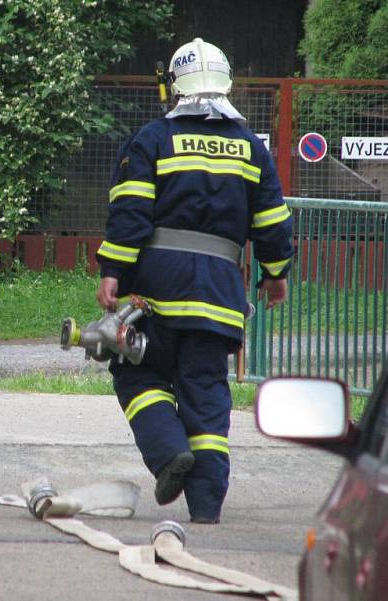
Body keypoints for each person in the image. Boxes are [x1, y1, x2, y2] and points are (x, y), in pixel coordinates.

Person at [95, 38, 293, 524]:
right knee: (206, 392)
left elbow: (131, 213)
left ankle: (167, 454)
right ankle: (206, 506)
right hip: (217, 297)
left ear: (174, 87)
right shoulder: (251, 147)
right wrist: (275, 274)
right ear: (226, 85)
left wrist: (113, 271)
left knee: (136, 372)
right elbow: (272, 221)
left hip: (156, 293)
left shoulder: (153, 140)